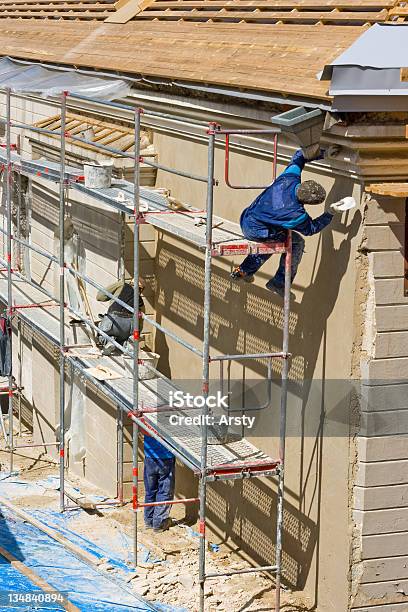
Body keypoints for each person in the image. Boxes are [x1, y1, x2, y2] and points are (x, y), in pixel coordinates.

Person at [231, 149, 339, 297]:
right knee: (295, 242)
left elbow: (298, 156)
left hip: (247, 217)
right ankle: (279, 283)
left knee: (276, 239)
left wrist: (324, 153)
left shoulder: (289, 178)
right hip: (256, 231)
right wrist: (330, 213)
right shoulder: (296, 214)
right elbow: (311, 229)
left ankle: (244, 271)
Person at [96, 278, 145, 354]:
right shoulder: (141, 302)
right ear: (141, 290)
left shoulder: (122, 285)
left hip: (113, 322)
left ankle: (109, 342)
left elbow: (100, 297)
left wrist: (113, 295)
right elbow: (139, 324)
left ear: (130, 283)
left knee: (100, 330)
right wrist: (135, 338)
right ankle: (127, 344)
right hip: (128, 327)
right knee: (122, 339)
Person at [143, 431, 175, 533]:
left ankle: (149, 521)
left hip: (149, 457)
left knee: (150, 490)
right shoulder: (168, 416)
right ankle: (159, 523)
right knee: (165, 492)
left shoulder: (146, 416)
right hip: (166, 457)